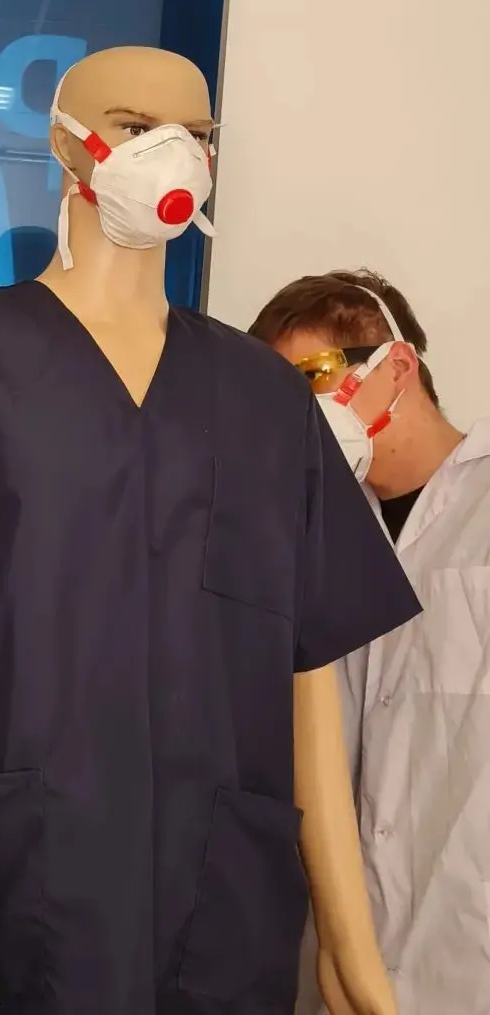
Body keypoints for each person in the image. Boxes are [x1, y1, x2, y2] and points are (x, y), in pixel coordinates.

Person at [0, 47, 419, 1014]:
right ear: (67, 145)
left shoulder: (262, 394)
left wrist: (348, 932)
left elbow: (305, 667)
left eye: (195, 134)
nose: (172, 152)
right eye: (136, 126)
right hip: (0, 879)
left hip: (215, 898)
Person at [250, 270, 488, 1015]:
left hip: (464, 941)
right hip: (334, 947)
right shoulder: (305, 530)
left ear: (398, 365)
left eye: (313, 378)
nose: (301, 414)